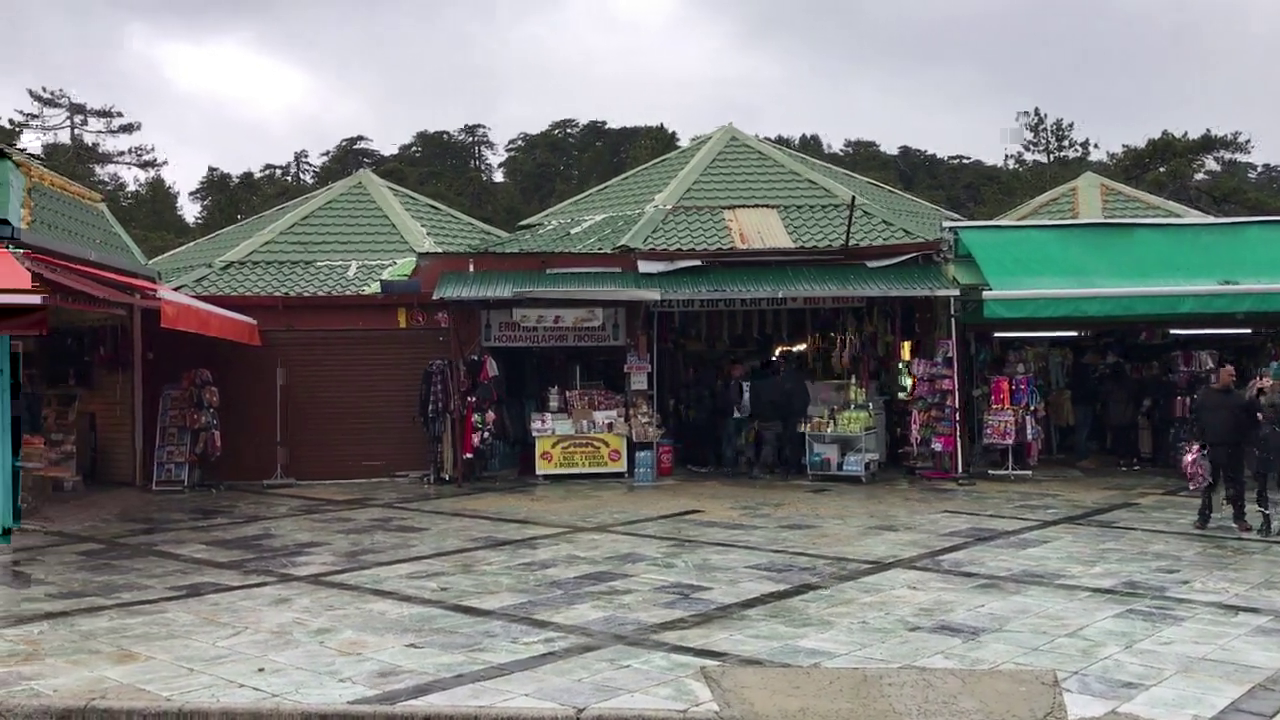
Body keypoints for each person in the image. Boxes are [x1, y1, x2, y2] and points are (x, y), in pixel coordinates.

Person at [1193, 363, 1259, 532]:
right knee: (1209, 485)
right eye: (1230, 375)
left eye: (1234, 375)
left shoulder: (1238, 398)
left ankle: (1239, 518)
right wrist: (1196, 441)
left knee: (1236, 485)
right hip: (1211, 447)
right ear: (1220, 375)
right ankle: (1204, 517)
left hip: (1234, 448)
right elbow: (1196, 419)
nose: (1233, 379)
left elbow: (1250, 419)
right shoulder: (1205, 395)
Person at [1247, 371, 1279, 536]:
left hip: (1275, 446)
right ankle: (1265, 522)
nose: (1266, 383)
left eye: (1269, 380)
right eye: (1263, 380)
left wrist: (1265, 416)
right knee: (1261, 487)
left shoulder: (1276, 400)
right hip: (1257, 447)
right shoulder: (1251, 399)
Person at [777, 352, 812, 479]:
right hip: (798, 414)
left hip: (789, 415)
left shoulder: (784, 379)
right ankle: (796, 466)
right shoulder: (797, 379)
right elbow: (806, 398)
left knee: (789, 442)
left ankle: (790, 467)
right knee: (797, 441)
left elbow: (782, 399)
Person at [1103, 360, 1141, 470]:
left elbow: (1104, 396)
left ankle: (1122, 459)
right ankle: (1134, 459)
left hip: (1114, 412)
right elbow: (1136, 395)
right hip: (1129, 411)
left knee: (1119, 438)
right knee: (1131, 437)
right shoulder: (1130, 382)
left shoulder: (1109, 382)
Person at [749, 360, 784, 478]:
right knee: (770, 444)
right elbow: (780, 400)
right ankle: (760, 468)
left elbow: (752, 401)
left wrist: (755, 416)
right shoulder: (777, 383)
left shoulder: (756, 383)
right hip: (773, 417)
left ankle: (771, 465)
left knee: (765, 442)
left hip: (761, 417)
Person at [1069, 350, 1102, 467]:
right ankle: (1081, 458)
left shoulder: (1082, 369)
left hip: (1083, 402)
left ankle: (1084, 456)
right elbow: (1086, 388)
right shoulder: (1081, 370)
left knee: (1083, 430)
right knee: (1082, 430)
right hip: (1082, 403)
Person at [718, 360, 749, 475]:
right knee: (730, 442)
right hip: (731, 416)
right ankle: (729, 466)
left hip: (744, 416)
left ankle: (742, 465)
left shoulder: (747, 382)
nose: (737, 372)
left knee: (743, 441)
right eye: (735, 369)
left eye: (740, 369)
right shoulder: (726, 384)